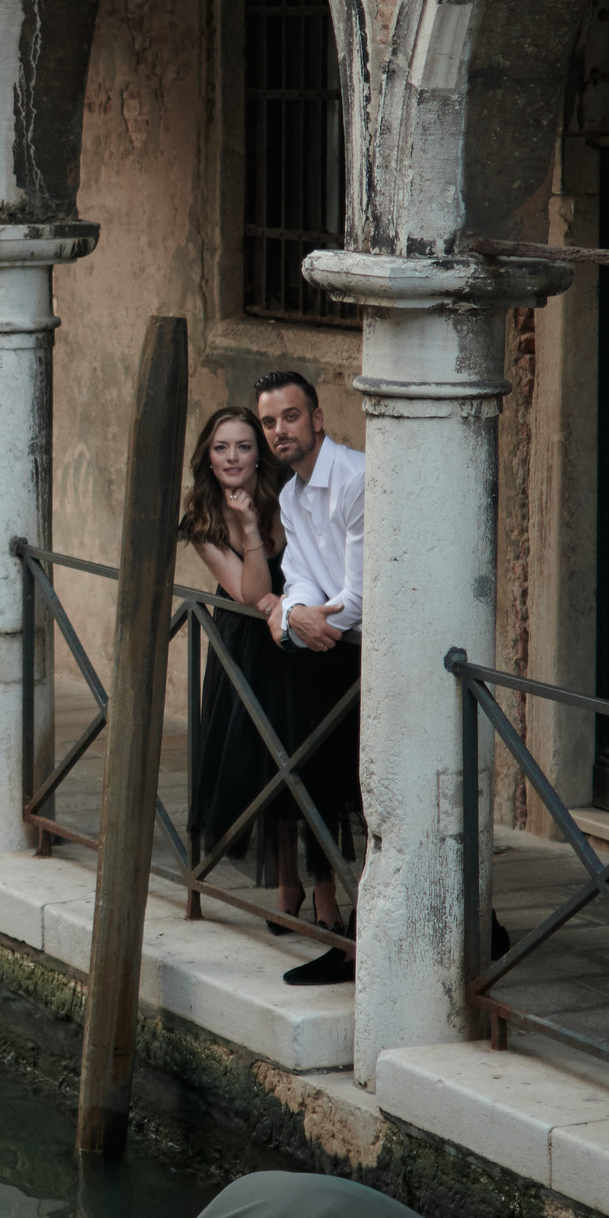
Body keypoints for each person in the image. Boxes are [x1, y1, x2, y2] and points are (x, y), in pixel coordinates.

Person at [255, 369, 364, 987]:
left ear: (317, 418)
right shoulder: (292, 496)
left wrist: (300, 623)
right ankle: (351, 943)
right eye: (269, 422)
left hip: (380, 656)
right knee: (328, 785)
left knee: (376, 800)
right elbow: (299, 576)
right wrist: (295, 613)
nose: (278, 432)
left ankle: (474, 929)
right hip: (335, 656)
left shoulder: (354, 479)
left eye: (289, 417)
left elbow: (358, 593)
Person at [178, 406, 307, 923]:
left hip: (296, 638)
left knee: (302, 757)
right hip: (244, 648)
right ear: (208, 459)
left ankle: (319, 886)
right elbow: (253, 592)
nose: (232, 457)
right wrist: (251, 527)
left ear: (260, 456)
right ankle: (287, 883)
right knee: (261, 764)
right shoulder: (204, 521)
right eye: (221, 448)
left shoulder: (291, 499)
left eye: (244, 446)